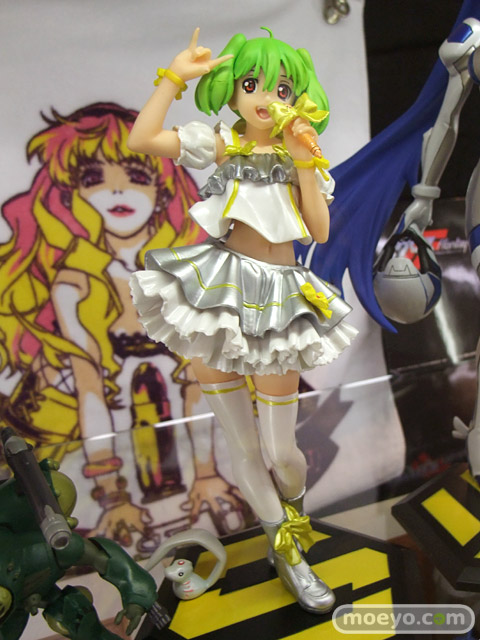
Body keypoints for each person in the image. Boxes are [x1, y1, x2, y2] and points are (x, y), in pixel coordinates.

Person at [128, 28, 357, 613]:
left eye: (281, 88)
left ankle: (294, 520)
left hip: (280, 300)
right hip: (216, 296)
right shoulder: (221, 143)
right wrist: (174, 77)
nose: (265, 98)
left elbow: (319, 230)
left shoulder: (300, 153)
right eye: (251, 83)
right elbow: (142, 137)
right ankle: (289, 553)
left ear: (298, 96)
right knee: (245, 449)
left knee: (282, 452)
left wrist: (304, 162)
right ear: (231, 89)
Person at [0, 102, 247, 547]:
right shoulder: (74, 285)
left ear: (163, 190)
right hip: (110, 434)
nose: (116, 191)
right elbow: (90, 389)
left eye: (136, 175)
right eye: (93, 179)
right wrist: (113, 497)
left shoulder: (186, 268)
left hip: (194, 428)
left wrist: (208, 473)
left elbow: (200, 380)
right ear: (71, 194)